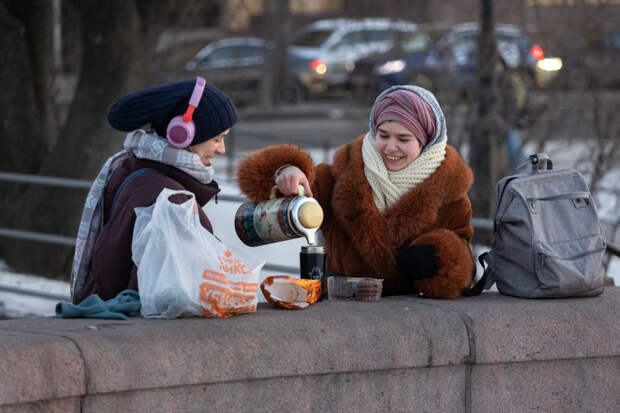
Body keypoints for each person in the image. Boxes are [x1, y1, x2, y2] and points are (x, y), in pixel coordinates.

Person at [237, 85, 475, 298]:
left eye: (404, 139)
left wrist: (438, 258)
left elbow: (466, 266)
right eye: (383, 135)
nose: (391, 147)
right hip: (338, 313)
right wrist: (285, 170)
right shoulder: (338, 175)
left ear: (426, 141)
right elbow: (258, 184)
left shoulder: (451, 196)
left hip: (409, 321)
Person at [70, 78, 237, 303]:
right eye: (217, 139)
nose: (222, 149)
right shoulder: (166, 199)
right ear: (182, 134)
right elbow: (160, 299)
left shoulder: (132, 166)